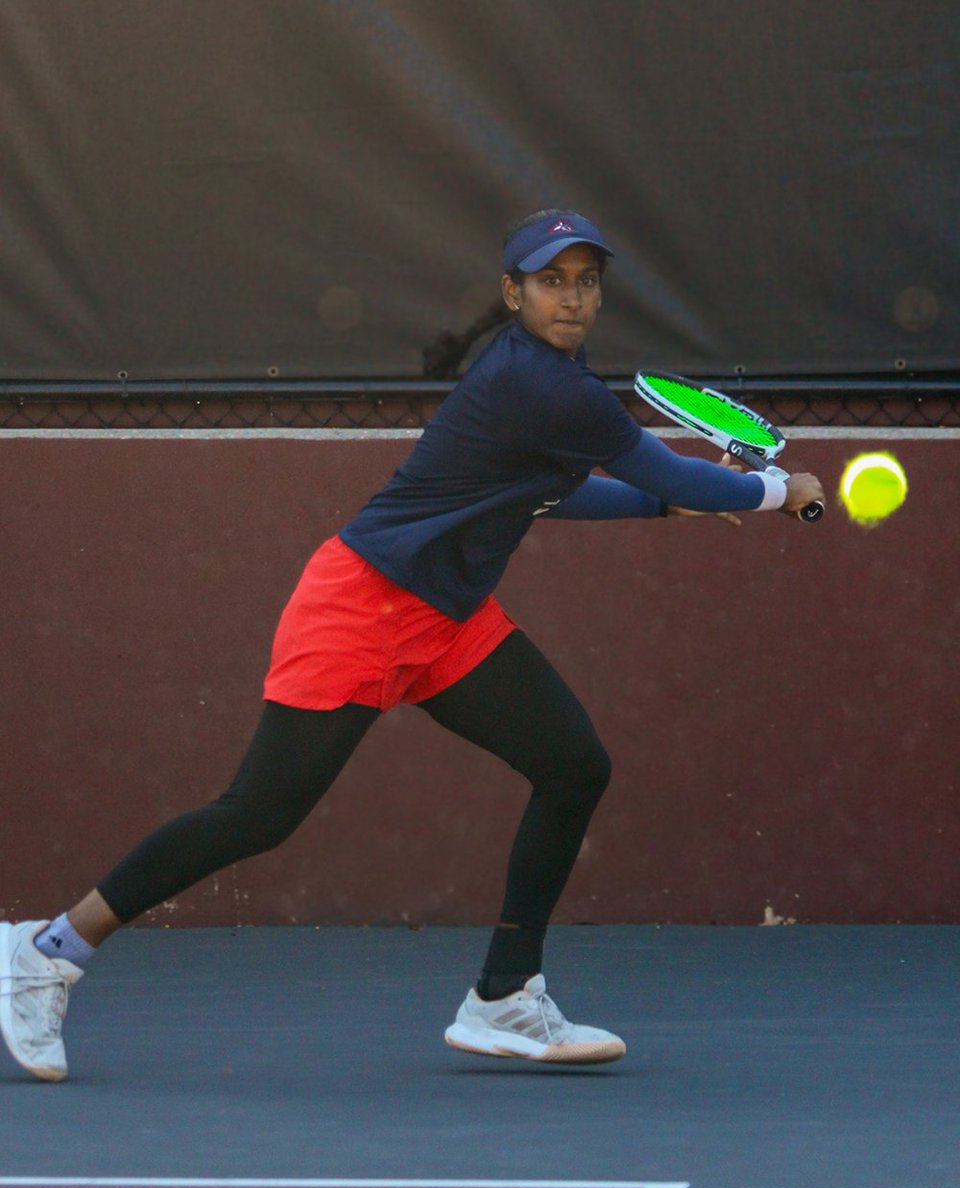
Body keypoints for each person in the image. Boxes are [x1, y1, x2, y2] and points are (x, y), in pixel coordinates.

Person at [0, 210, 824, 1080]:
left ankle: (505, 997)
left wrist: (672, 502)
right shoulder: (546, 387)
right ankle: (46, 951)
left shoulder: (554, 382)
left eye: (586, 281)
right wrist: (775, 488)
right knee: (257, 814)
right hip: (360, 606)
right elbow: (665, 469)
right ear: (514, 293)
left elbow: (557, 493)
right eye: (552, 281)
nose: (572, 298)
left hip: (446, 619)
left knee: (574, 764)